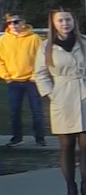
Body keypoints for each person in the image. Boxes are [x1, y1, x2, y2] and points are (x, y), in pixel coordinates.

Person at [33, 9, 86, 195]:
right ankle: (70, 187)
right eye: (60, 20)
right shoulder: (46, 46)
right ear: (54, 24)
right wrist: (50, 93)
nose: (65, 23)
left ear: (74, 21)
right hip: (62, 95)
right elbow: (40, 73)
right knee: (66, 145)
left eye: (68, 19)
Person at [1, 14, 47, 147]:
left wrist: (34, 75)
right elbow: (1, 60)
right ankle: (16, 137)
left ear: (23, 23)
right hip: (13, 81)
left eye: (16, 22)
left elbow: (41, 58)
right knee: (14, 110)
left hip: (31, 81)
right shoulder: (4, 40)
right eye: (10, 23)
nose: (13, 25)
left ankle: (40, 138)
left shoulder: (34, 38)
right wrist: (7, 77)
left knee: (36, 110)